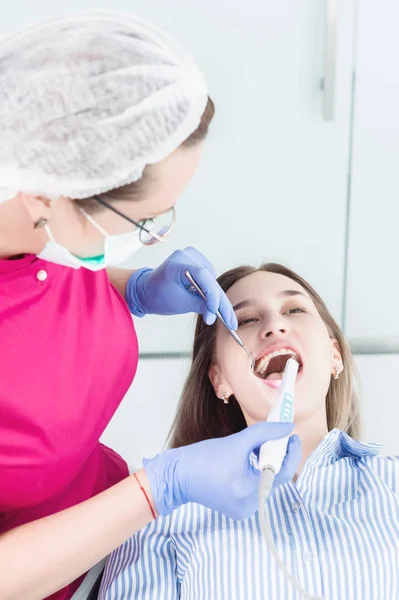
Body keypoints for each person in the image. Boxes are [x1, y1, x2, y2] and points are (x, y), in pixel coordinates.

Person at [0, 11, 300, 600]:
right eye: (145, 220)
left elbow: (33, 283)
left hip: (114, 532)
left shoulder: (32, 226)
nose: (159, 235)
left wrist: (130, 288)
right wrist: (156, 491)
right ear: (48, 189)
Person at [100, 262, 399, 600]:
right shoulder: (159, 516)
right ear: (219, 380)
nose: (274, 325)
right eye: (246, 320)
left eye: (295, 309)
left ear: (335, 357)